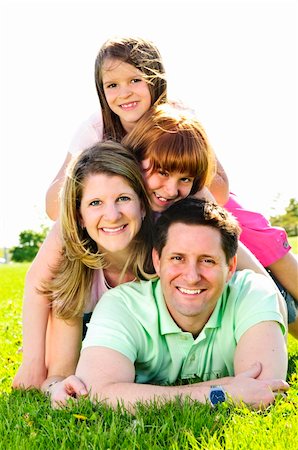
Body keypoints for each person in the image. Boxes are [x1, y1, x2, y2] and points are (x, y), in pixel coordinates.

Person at [44, 36, 298, 333]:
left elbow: (219, 189)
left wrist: (175, 175)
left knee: (258, 237)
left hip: (190, 198)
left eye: (135, 80)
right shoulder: (96, 128)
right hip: (144, 211)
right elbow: (53, 205)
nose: (124, 93)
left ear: (155, 79)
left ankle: (283, 314)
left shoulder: (176, 116)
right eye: (112, 85)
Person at [49, 198, 288, 410]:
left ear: (231, 267)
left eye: (207, 260)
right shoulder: (122, 305)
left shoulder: (252, 291)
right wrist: (223, 394)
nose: (192, 276)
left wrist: (134, 393)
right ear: (157, 259)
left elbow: (263, 389)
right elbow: (99, 393)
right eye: (177, 258)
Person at [13, 141, 156, 389]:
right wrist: (50, 382)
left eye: (123, 198)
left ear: (142, 205)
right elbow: (58, 375)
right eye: (95, 203)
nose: (112, 215)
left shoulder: (167, 255)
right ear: (79, 216)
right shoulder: (76, 275)